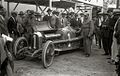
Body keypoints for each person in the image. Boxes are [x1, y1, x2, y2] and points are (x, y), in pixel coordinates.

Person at [0, 5, 14, 76]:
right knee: (6, 59)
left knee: (8, 58)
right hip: (2, 41)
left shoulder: (4, 18)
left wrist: (7, 35)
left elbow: (5, 28)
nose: (5, 12)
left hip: (5, 39)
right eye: (3, 11)